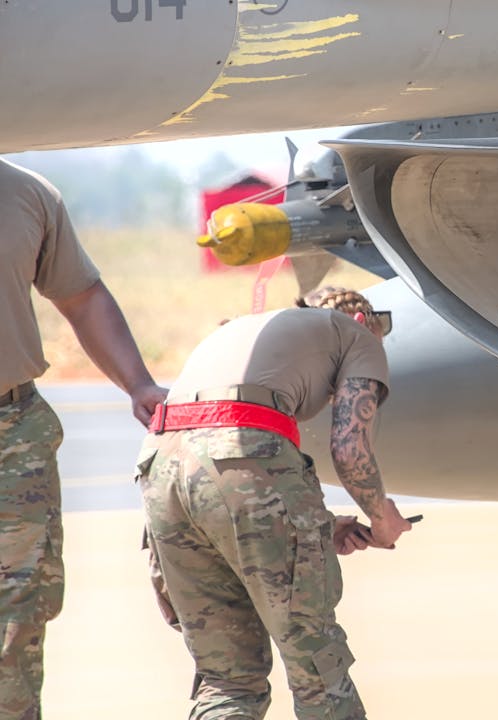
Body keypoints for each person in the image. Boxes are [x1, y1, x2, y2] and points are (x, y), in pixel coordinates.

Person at [137, 286, 413, 720]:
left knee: (229, 681)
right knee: (317, 666)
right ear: (363, 321)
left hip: (160, 467)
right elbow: (348, 448)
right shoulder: (356, 335)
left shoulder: (248, 332)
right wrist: (382, 516)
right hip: (242, 453)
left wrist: (318, 524)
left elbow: (215, 448)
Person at [0, 158, 167, 719]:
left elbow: (81, 297)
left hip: (11, 434)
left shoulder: (25, 193)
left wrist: (138, 383)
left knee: (17, 618)